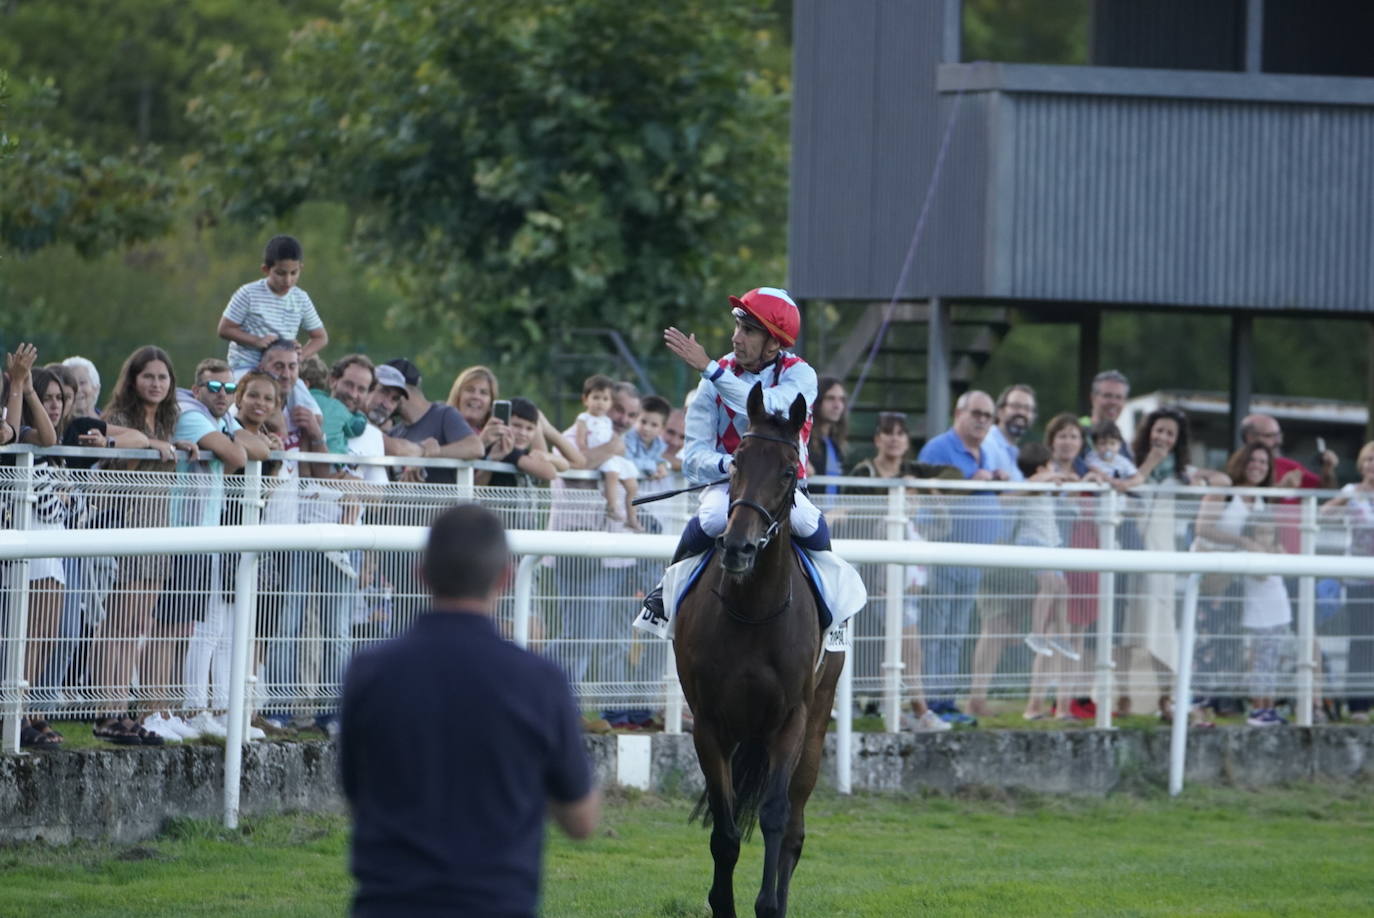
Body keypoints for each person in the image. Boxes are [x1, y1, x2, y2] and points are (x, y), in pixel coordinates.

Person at [341, 504, 598, 916]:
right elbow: (581, 821)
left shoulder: (367, 671)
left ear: (421, 574)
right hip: (495, 902)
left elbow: (357, 796)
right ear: (506, 578)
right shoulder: (540, 681)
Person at [638, 286, 833, 623]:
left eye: (748, 330)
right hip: (729, 484)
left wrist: (712, 370)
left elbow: (765, 405)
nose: (736, 338)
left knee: (807, 521)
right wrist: (730, 465)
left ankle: (832, 603)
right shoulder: (711, 379)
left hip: (783, 487)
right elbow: (693, 457)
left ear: (774, 342)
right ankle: (665, 592)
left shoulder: (801, 375)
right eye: (737, 327)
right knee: (713, 518)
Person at [1117, 406, 1228, 720]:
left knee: (1162, 623)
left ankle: (1166, 698)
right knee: (1127, 627)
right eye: (1159, 430)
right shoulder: (1128, 463)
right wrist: (1151, 461)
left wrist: (1200, 476)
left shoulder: (1180, 474)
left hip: (1163, 554)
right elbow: (1129, 484)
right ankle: (1123, 697)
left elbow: (1223, 479)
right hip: (1130, 550)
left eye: (1169, 433)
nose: (1162, 437)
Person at [914, 389, 1004, 724]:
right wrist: (970, 483)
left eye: (988, 416)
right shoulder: (939, 448)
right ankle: (931, 703)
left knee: (956, 632)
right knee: (934, 631)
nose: (982, 420)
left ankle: (947, 701)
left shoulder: (984, 453)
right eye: (977, 413)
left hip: (972, 558)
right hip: (941, 553)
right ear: (959, 413)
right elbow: (925, 497)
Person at [1012, 440, 1080, 721]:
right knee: (1050, 584)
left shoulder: (1045, 484)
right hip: (1033, 543)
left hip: (1051, 543)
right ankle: (1038, 632)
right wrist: (1054, 475)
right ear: (1040, 467)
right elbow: (1042, 480)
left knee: (1062, 587)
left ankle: (1062, 636)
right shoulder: (1033, 483)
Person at [218, 234, 329, 375]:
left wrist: (298, 357)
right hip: (247, 367)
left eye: (294, 273)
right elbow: (224, 329)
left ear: (300, 268)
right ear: (266, 269)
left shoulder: (301, 298)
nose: (288, 280)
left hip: (283, 372)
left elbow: (320, 337)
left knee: (302, 396)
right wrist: (256, 341)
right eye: (281, 273)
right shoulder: (248, 293)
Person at [1320, 440, 1374, 723]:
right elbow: (1324, 512)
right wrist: (1345, 499)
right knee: (1362, 640)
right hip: (1358, 578)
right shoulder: (1352, 492)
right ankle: (1358, 704)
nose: (1372, 466)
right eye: (1368, 460)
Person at [383, 357, 482, 484]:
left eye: (386, 391)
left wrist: (427, 454)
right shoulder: (394, 433)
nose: (382, 400)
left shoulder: (444, 415)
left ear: (401, 390)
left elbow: (475, 448)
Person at [1238, 510, 1293, 726]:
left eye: (1269, 533)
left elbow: (1287, 566)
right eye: (1260, 533)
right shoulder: (1249, 551)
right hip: (1260, 617)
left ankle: (1269, 708)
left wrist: (1274, 551)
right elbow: (1262, 573)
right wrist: (1262, 549)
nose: (1265, 537)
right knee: (1260, 664)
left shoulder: (1275, 549)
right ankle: (1258, 708)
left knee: (1272, 665)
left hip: (1278, 614)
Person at [575, 373, 641, 530]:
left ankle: (631, 518)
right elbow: (581, 461)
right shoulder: (580, 425)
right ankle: (612, 508)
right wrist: (612, 448)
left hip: (614, 542)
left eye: (632, 415)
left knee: (632, 484)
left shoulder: (624, 437)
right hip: (575, 534)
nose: (624, 420)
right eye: (619, 410)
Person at [984, 384, 1037, 481]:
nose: (1021, 412)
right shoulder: (988, 444)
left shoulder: (1016, 452)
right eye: (1016, 406)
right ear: (1000, 411)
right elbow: (990, 495)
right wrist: (1034, 484)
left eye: (1027, 408)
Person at [447, 364, 503, 454]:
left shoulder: (495, 438)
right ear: (458, 396)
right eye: (470, 390)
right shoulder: (440, 427)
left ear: (490, 404)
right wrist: (482, 442)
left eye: (483, 393)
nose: (476, 396)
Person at [807, 376, 849, 495]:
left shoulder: (835, 444)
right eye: (831, 398)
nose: (837, 405)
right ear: (817, 401)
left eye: (841, 400)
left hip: (832, 513)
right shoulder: (803, 440)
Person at [1080, 369, 1132, 462]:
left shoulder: (1122, 443)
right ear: (1093, 398)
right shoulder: (1075, 434)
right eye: (1107, 396)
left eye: (1119, 397)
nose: (1113, 402)